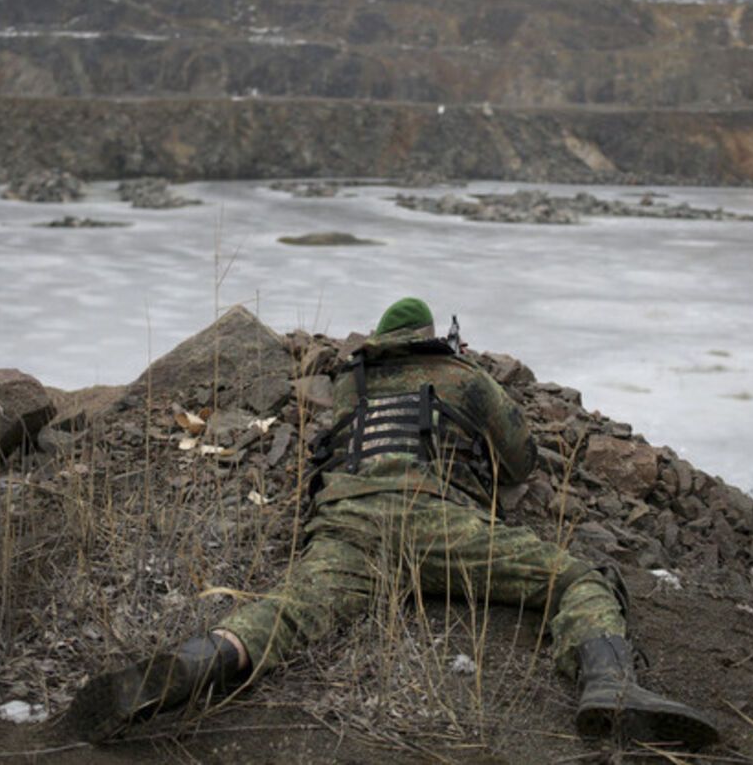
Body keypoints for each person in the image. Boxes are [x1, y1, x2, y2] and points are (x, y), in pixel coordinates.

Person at [68, 297, 719, 748]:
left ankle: (199, 659)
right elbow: (521, 460)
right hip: (437, 523)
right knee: (575, 577)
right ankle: (609, 682)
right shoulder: (464, 375)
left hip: (348, 524)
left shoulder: (352, 385)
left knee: (287, 612)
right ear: (432, 335)